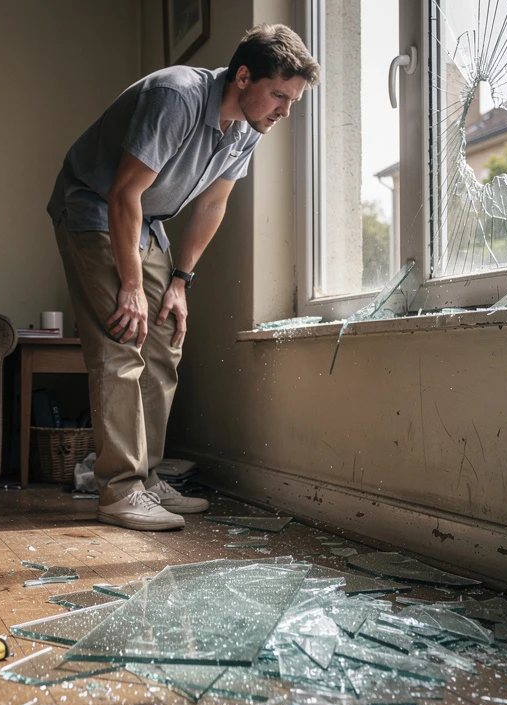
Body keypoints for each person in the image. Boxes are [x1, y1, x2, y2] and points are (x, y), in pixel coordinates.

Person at [47, 24, 320, 531]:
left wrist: (180, 280)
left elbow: (213, 204)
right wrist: (130, 285)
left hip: (146, 219)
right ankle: (119, 491)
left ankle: (146, 480)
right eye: (280, 95)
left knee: (166, 335)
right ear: (243, 76)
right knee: (121, 338)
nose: (285, 111)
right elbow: (122, 194)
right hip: (94, 204)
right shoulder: (177, 97)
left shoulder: (248, 128)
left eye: (293, 100)